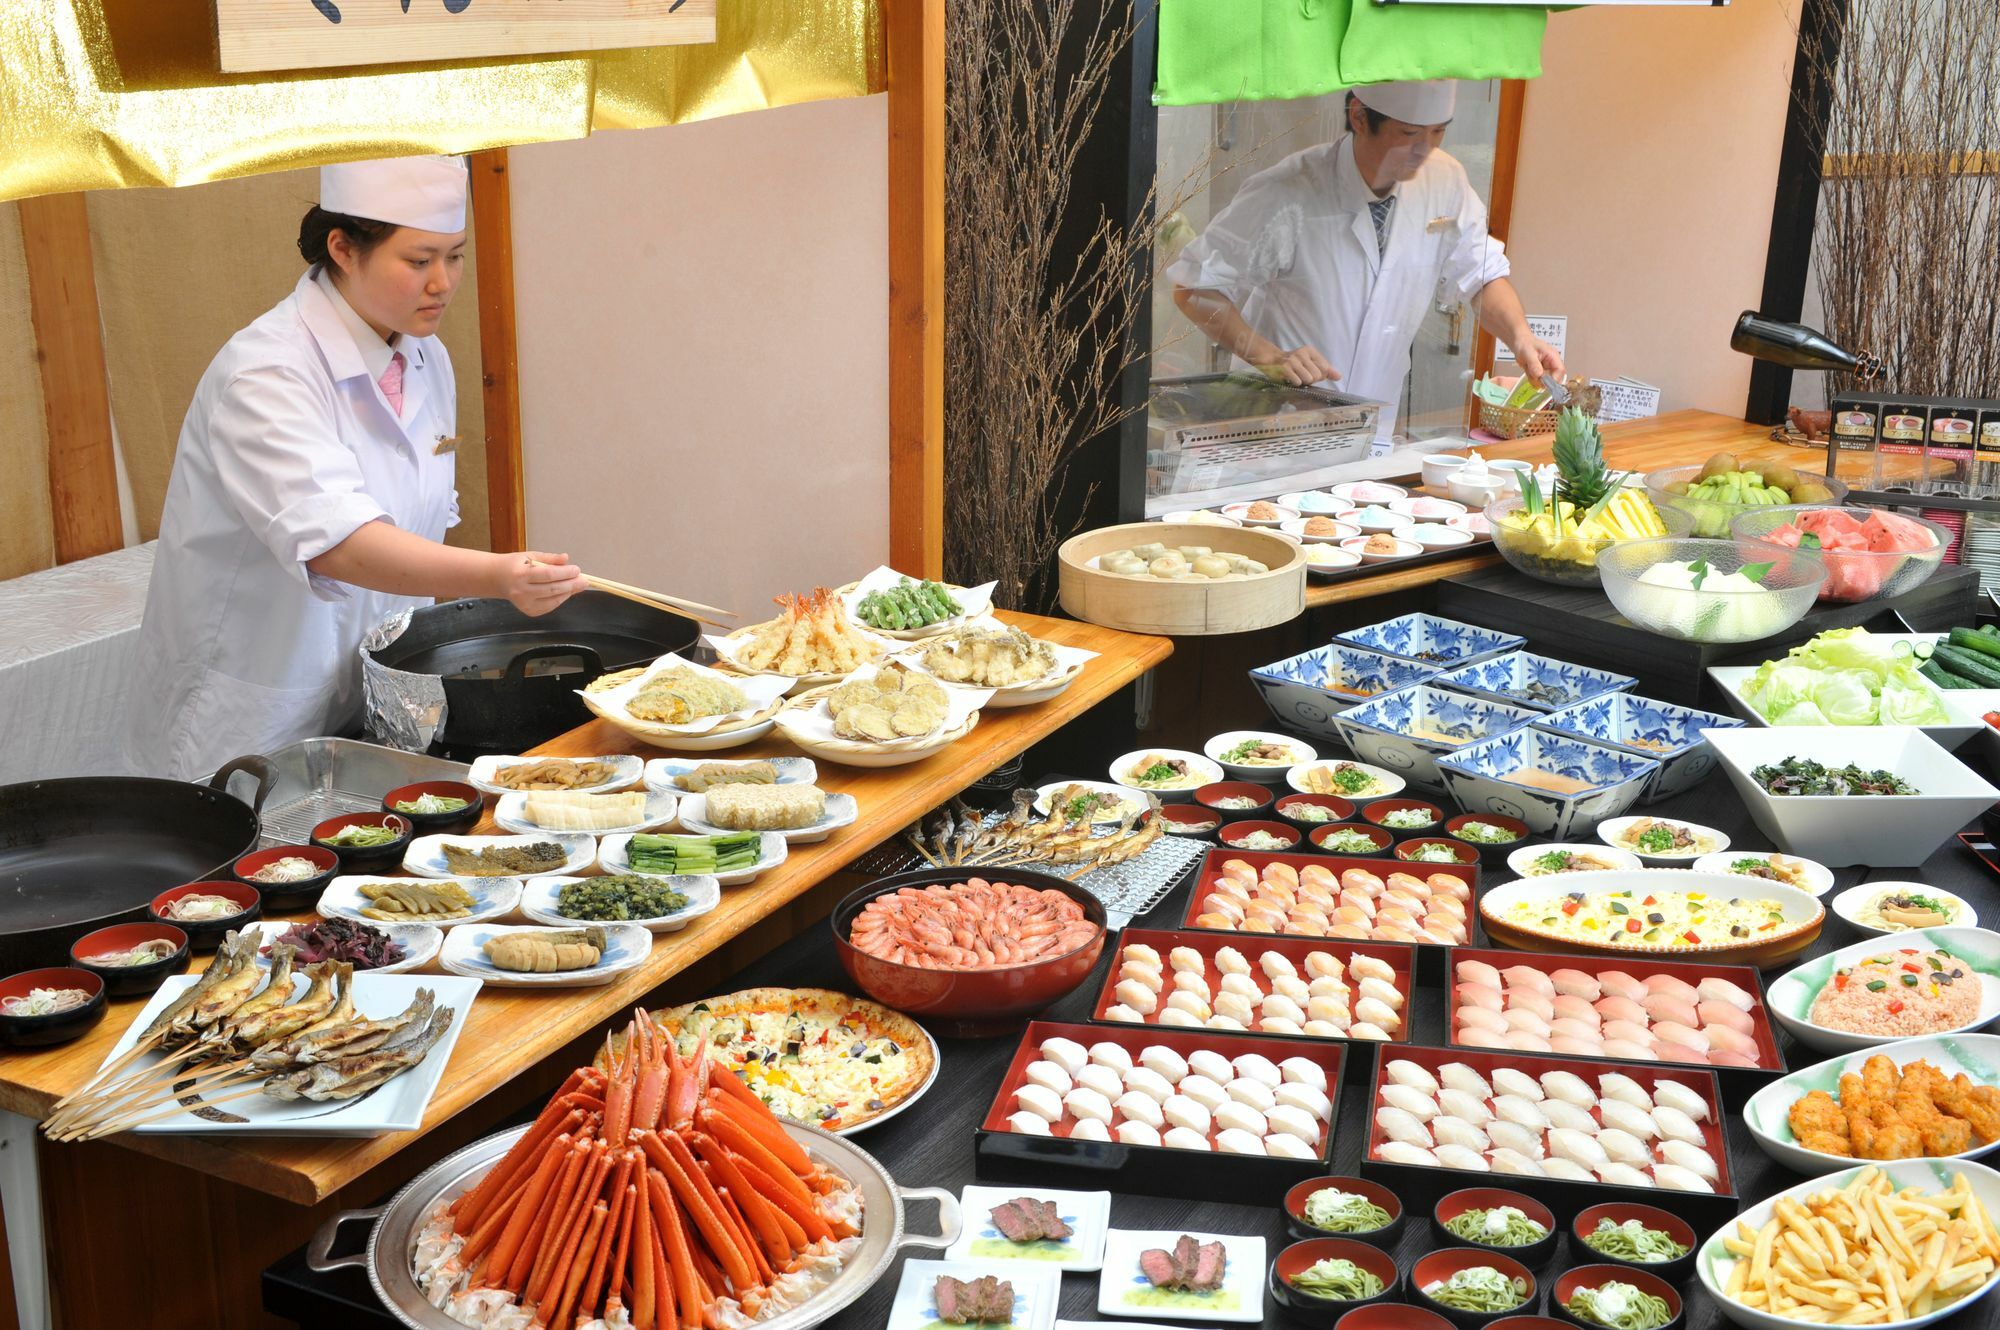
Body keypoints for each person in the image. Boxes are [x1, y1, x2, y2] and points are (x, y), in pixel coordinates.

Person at [127, 155, 586, 780]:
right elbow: (337, 544)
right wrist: (500, 576)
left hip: (368, 699)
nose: (444, 282)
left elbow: (418, 526)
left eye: (454, 255)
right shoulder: (268, 370)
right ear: (343, 248)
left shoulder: (425, 356)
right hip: (255, 709)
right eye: (419, 261)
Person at [1166, 80, 1564, 439]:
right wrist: (1267, 355)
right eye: (1408, 133)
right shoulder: (1288, 189)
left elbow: (1482, 275)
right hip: (1279, 423)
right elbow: (1194, 286)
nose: (1425, 149)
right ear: (1359, 116)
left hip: (1371, 431)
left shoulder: (1446, 181)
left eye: (1438, 131)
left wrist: (1520, 337)